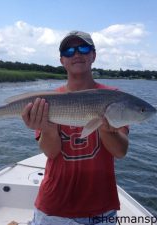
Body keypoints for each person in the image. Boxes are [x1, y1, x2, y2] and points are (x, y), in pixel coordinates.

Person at [21, 31, 129, 225]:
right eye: (69, 50)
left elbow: (120, 151)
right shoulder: (46, 101)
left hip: (102, 209)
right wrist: (46, 129)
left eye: (84, 48)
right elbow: (51, 153)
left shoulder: (114, 98)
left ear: (93, 55)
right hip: (54, 208)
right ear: (62, 60)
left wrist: (105, 129)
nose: (77, 54)